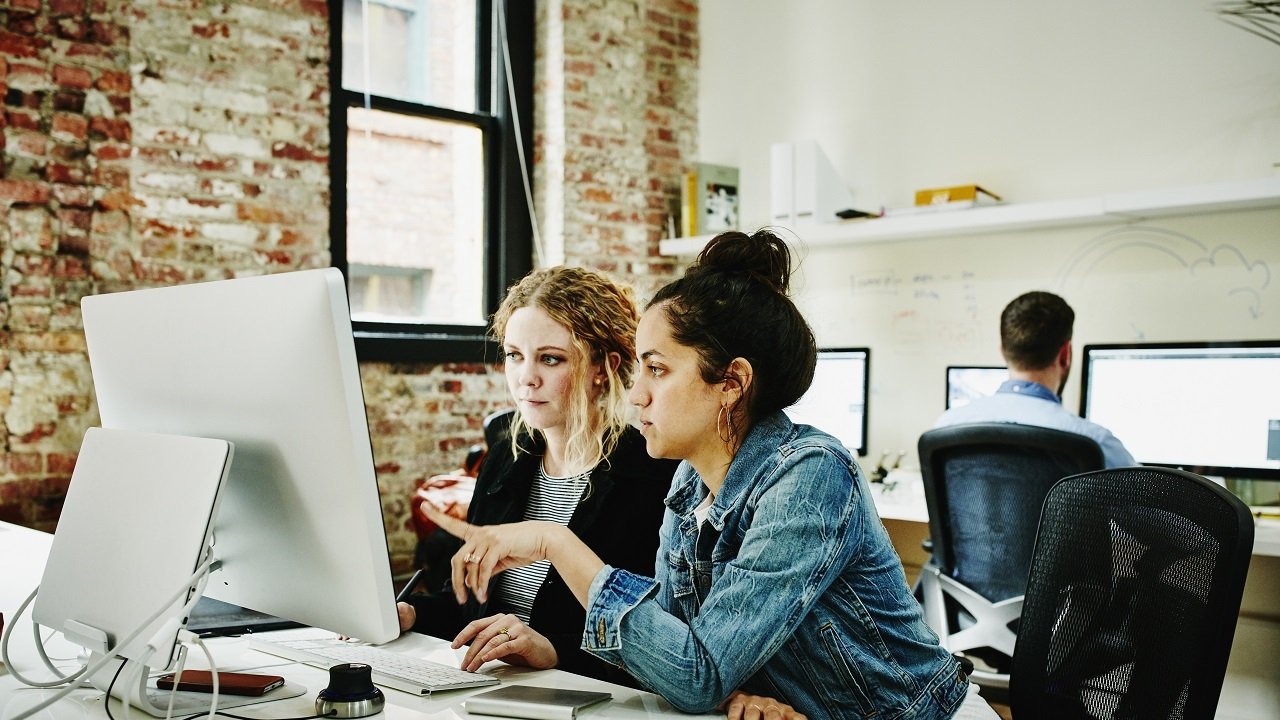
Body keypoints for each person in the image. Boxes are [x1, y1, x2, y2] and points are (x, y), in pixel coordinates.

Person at [423, 230, 999, 720]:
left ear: (731, 382)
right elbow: (675, 658)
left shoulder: (811, 476)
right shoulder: (689, 485)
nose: (637, 392)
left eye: (657, 369)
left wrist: (554, 541)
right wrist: (733, 693)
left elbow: (696, 673)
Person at [397, 265, 678, 686]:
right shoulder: (505, 463)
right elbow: (473, 610)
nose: (526, 378)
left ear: (604, 366)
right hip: (488, 690)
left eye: (550, 359)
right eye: (514, 355)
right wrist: (412, 613)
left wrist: (552, 651)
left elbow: (661, 641)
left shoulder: (654, 478)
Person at [934, 290, 1135, 467]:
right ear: (1065, 355)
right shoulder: (1095, 443)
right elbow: (1151, 503)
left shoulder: (946, 428)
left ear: (1003, 351)